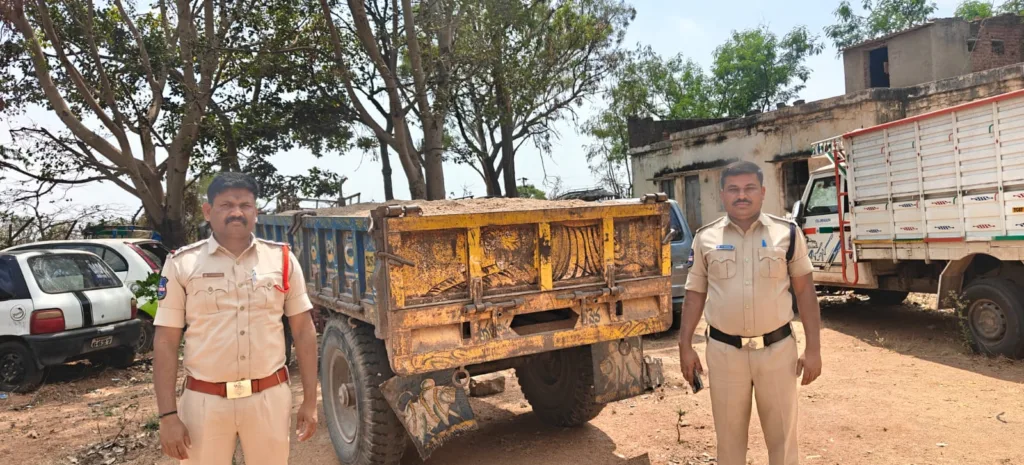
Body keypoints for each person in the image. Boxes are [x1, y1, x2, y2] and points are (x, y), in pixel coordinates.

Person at [153, 172, 319, 464]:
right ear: (208, 211)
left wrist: (309, 400)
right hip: (204, 402)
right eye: (226, 205)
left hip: (268, 398)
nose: (236, 212)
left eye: (245, 205)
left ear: (256, 211)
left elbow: (304, 330)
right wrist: (168, 416)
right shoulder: (182, 264)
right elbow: (166, 341)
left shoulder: (281, 260)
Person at [678, 161, 822, 465]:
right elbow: (694, 295)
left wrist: (814, 349)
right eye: (733, 189)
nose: (741, 195)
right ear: (722, 194)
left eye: (749, 188)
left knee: (783, 442)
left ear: (762, 192)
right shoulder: (705, 238)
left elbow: (806, 292)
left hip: (777, 351)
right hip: (724, 354)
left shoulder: (787, 234)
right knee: (729, 443)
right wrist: (685, 345)